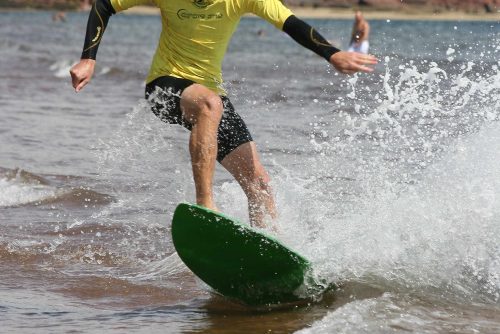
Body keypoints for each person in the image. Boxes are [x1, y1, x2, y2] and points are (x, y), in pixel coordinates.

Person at [70, 0, 377, 229]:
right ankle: (205, 207)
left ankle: (268, 249)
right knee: (209, 104)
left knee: (259, 183)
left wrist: (332, 53)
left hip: (210, 95)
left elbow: (290, 23)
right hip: (164, 87)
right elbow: (104, 5)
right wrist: (88, 59)